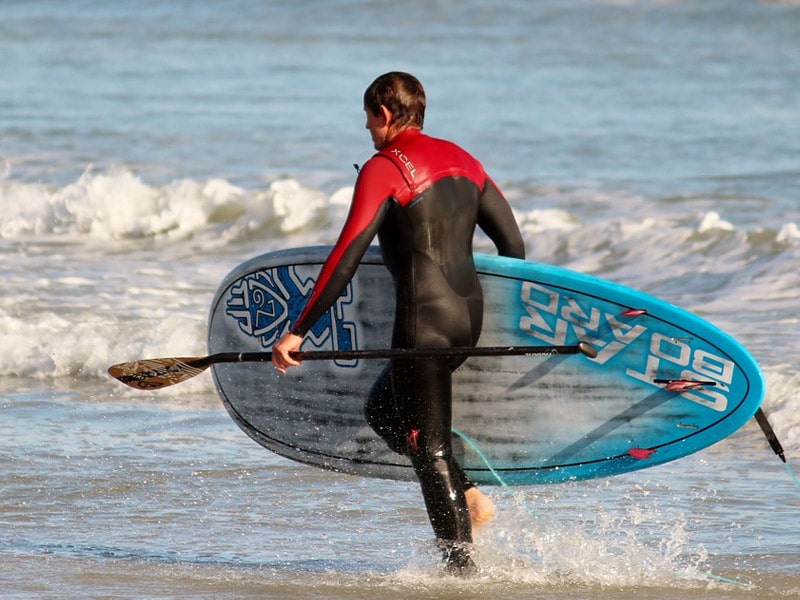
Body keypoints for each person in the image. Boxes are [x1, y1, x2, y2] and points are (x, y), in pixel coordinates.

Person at [271, 71, 525, 574]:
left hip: (422, 328)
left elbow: (346, 256)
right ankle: (470, 497)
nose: (366, 130)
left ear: (384, 115)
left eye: (368, 120)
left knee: (426, 448)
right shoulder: (465, 160)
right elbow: (513, 247)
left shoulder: (384, 167)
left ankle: (461, 574)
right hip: (466, 323)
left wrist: (299, 330)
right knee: (385, 411)